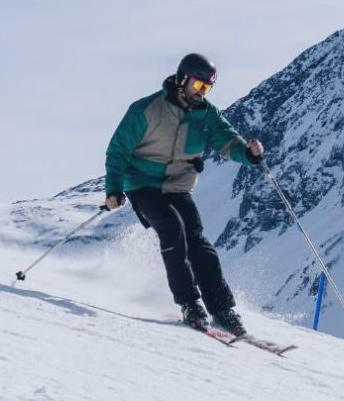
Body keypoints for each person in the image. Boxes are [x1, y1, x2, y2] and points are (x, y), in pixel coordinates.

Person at [103, 53, 265, 334]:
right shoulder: (147, 109)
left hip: (178, 187)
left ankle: (222, 308)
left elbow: (227, 141)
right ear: (182, 80)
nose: (201, 93)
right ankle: (190, 303)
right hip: (143, 185)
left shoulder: (206, 115)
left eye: (207, 88)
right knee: (172, 228)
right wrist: (114, 189)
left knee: (198, 242)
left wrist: (247, 154)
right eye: (198, 86)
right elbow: (118, 150)